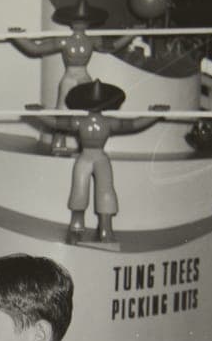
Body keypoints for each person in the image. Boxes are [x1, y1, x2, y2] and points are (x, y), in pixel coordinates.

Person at [26, 80, 168, 245]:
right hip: (85, 157)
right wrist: (39, 113)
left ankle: (106, 228)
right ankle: (76, 224)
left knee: (106, 192)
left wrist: (154, 115)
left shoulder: (109, 122)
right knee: (79, 190)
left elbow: (134, 124)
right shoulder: (79, 122)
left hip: (99, 157)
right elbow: (56, 122)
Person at [7, 0, 135, 153]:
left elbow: (112, 46)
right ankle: (58, 141)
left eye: (84, 20)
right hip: (69, 77)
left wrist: (131, 34)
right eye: (77, 19)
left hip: (83, 76)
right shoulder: (64, 41)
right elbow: (35, 48)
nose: (80, 23)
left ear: (90, 21)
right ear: (70, 20)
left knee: (89, 109)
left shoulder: (93, 40)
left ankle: (85, 146)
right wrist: (19, 38)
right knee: (61, 110)